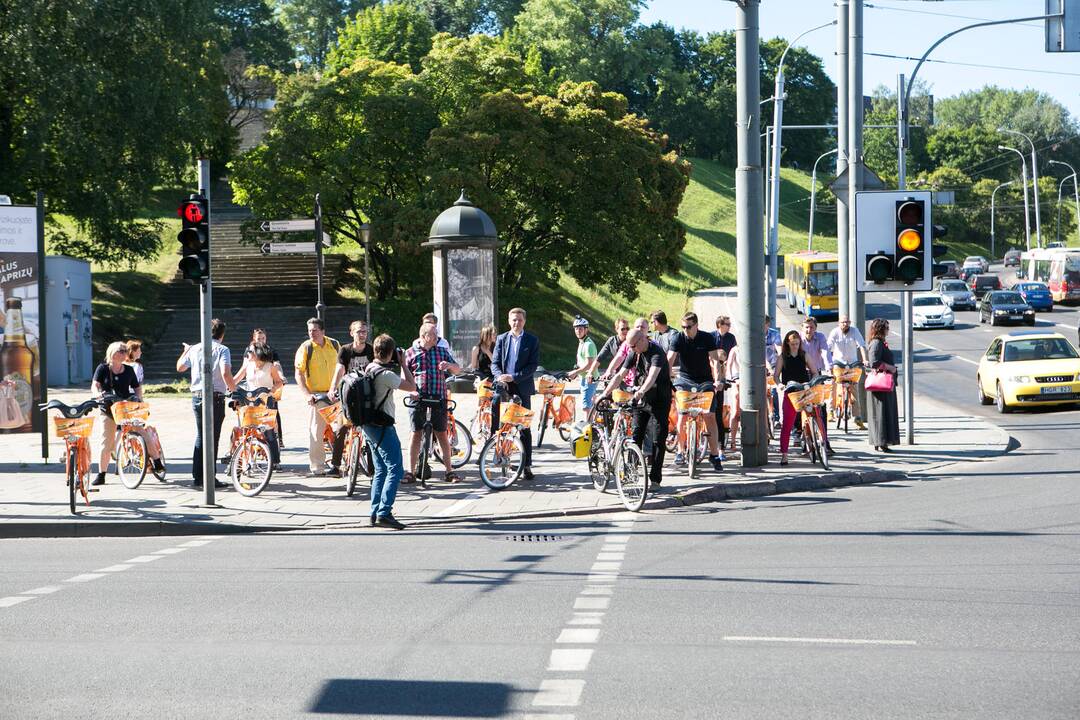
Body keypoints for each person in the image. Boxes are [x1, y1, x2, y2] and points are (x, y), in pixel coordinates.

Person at [601, 328, 672, 489]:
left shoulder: (657, 354)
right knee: (636, 433)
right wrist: (605, 394)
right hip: (641, 399)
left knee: (658, 438)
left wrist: (639, 392)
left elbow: (652, 377)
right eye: (629, 347)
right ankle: (630, 472)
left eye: (633, 346)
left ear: (642, 340)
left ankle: (655, 479)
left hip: (660, 399)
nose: (631, 350)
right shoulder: (634, 352)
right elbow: (620, 375)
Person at [362, 334, 417, 530]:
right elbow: (412, 387)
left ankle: (374, 512)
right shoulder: (386, 375)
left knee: (380, 470)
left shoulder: (369, 368)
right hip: (382, 425)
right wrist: (403, 364)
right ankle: (384, 513)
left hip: (367, 425)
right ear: (391, 352)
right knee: (396, 468)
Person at [91, 342, 163, 485]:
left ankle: (157, 461)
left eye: (125, 350)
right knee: (106, 442)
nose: (124, 353)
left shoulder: (129, 370)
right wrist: (97, 394)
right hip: (109, 409)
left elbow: (137, 387)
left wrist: (140, 400)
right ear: (112, 352)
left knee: (142, 433)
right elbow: (95, 385)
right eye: (121, 350)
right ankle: (101, 474)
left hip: (126, 408)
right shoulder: (103, 369)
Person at [177, 319, 236, 488]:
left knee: (201, 435)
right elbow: (226, 372)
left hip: (196, 395)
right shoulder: (223, 349)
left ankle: (198, 475)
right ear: (222, 334)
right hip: (215, 395)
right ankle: (210, 476)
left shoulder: (195, 348)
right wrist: (234, 391)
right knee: (213, 437)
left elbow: (180, 367)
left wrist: (185, 351)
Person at [405, 322, 463, 483]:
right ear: (424, 336)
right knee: (415, 433)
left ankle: (449, 471)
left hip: (439, 397)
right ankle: (410, 472)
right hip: (418, 398)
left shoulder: (442, 351)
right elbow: (403, 379)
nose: (437, 337)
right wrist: (411, 391)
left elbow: (458, 369)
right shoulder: (410, 353)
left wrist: (449, 365)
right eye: (434, 334)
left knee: (442, 434)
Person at [667, 312, 725, 471]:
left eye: (689, 327)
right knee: (682, 414)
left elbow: (714, 361)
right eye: (683, 327)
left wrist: (718, 380)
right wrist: (665, 377)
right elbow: (669, 360)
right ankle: (680, 451)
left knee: (710, 416)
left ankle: (714, 455)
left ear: (696, 326)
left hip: (705, 380)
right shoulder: (678, 338)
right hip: (685, 379)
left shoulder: (707, 338)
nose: (686, 330)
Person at [491, 307, 540, 478]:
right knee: (500, 423)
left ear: (524, 321)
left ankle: (526, 465)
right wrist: (500, 377)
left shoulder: (532, 340)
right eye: (513, 320)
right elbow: (495, 363)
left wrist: (514, 377)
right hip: (505, 387)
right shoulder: (502, 339)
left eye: (519, 319)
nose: (516, 323)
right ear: (508, 321)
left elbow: (533, 366)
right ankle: (497, 453)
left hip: (522, 387)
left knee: (524, 428)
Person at [294, 317, 341, 476]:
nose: (311, 333)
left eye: (314, 330)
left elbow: (342, 367)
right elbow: (298, 374)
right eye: (309, 331)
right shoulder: (306, 348)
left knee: (342, 429)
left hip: (336, 395)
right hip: (318, 397)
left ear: (323, 331)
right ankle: (318, 467)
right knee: (316, 432)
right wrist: (307, 394)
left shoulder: (334, 344)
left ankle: (340, 464)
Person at [327, 320, 375, 472]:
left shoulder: (371, 350)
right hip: (348, 393)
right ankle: (335, 465)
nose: (362, 335)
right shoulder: (345, 350)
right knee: (341, 428)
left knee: (371, 429)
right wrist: (332, 388)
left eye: (364, 332)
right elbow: (339, 369)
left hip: (366, 393)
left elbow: (376, 369)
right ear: (351, 333)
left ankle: (373, 467)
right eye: (359, 331)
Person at [231, 343, 284, 467]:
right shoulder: (247, 366)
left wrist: (271, 390)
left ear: (258, 353)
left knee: (269, 433)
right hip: (249, 402)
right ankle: (244, 459)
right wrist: (227, 388)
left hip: (266, 402)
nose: (248, 353)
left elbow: (278, 382)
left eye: (250, 351)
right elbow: (234, 380)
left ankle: (275, 461)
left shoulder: (270, 366)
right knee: (245, 431)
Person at [774, 330, 818, 466]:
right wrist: (780, 385)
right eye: (792, 344)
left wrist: (812, 383)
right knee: (787, 424)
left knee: (815, 414)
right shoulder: (783, 357)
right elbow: (776, 376)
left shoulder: (804, 355)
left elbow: (815, 372)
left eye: (797, 343)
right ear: (787, 343)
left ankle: (816, 441)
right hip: (790, 392)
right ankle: (784, 454)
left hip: (804, 390)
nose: (795, 346)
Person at [827, 314, 868, 428]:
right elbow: (828, 346)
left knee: (854, 388)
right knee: (834, 384)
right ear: (839, 323)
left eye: (847, 322)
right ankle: (831, 411)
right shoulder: (834, 332)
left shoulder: (855, 331)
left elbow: (861, 345)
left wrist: (864, 360)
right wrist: (828, 362)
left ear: (850, 322)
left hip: (852, 363)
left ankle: (857, 418)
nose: (845, 324)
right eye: (843, 322)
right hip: (838, 363)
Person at [866, 318, 900, 452]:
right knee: (880, 413)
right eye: (886, 327)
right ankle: (881, 441)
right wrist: (890, 368)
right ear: (880, 329)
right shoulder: (876, 343)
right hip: (881, 385)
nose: (888, 330)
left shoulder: (880, 342)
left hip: (883, 385)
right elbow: (874, 362)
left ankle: (880, 441)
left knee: (882, 413)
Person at [248, 328, 285, 448]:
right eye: (259, 338)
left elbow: (277, 364)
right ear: (254, 339)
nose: (261, 340)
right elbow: (246, 364)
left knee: (273, 410)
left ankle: (278, 438)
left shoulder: (270, 350)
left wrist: (281, 376)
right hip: (254, 384)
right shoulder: (250, 351)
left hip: (269, 383)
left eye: (263, 338)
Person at [565, 316, 599, 412]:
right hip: (584, 377)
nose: (578, 331)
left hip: (589, 379)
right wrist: (577, 370)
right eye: (576, 328)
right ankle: (593, 423)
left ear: (586, 330)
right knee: (591, 403)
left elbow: (589, 364)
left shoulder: (588, 345)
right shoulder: (582, 342)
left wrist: (575, 372)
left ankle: (587, 426)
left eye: (580, 328)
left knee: (586, 406)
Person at [764, 315, 782, 427]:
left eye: (763, 324)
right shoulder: (755, 334)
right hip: (759, 366)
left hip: (774, 365)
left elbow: (779, 348)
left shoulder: (774, 333)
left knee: (774, 391)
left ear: (768, 324)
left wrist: (781, 360)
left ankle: (776, 418)